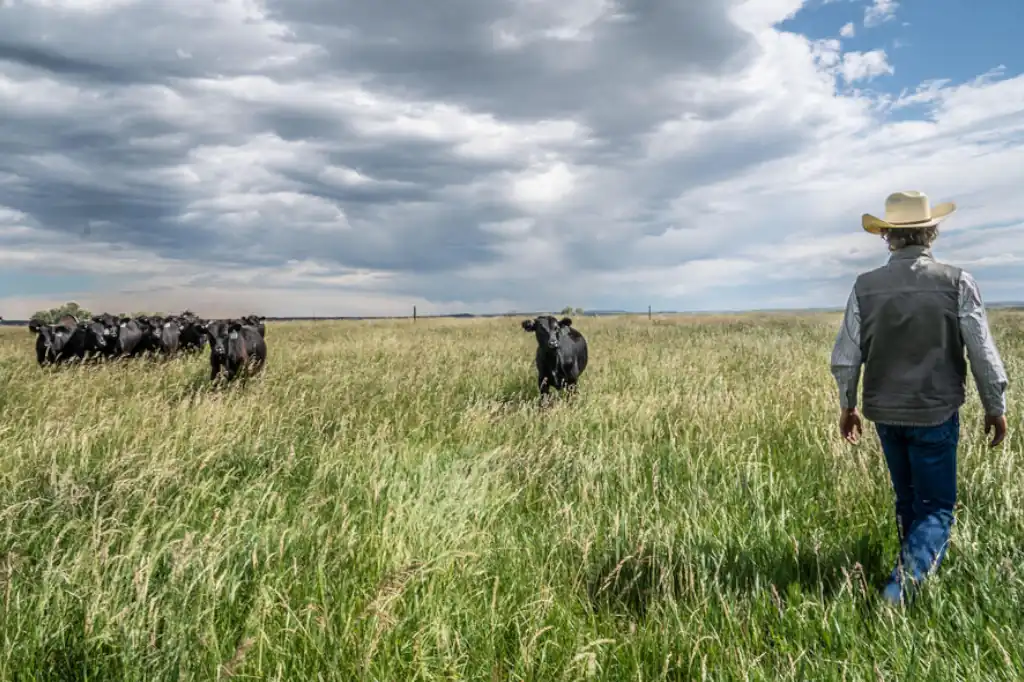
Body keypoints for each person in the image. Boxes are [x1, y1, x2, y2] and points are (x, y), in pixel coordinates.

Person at [830, 190, 1009, 606]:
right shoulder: (957, 281)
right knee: (937, 507)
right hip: (936, 411)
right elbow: (982, 352)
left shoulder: (864, 286)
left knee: (908, 499)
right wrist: (994, 406)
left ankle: (905, 573)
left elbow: (845, 356)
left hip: (884, 413)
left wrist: (848, 405)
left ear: (887, 236)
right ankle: (900, 593)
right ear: (931, 232)